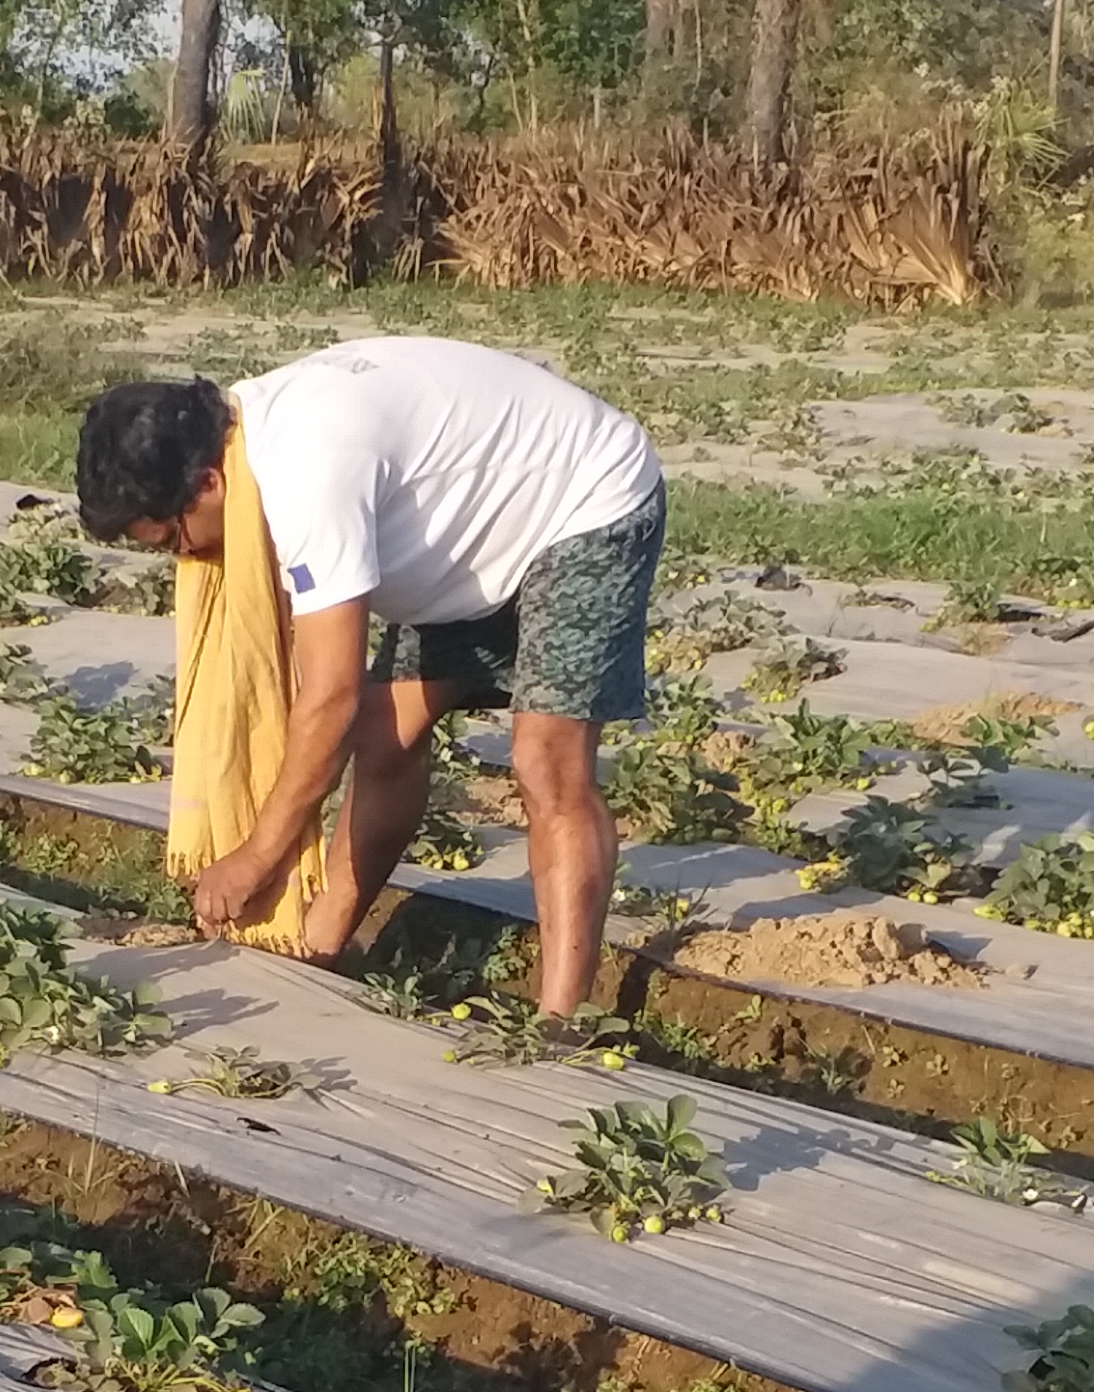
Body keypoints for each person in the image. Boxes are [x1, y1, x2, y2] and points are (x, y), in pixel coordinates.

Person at [74, 338, 666, 1023]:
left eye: (174, 540)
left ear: (208, 483)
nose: (189, 557)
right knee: (385, 741)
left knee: (545, 763)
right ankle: (319, 947)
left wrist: (258, 855)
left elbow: (331, 695)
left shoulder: (305, 471)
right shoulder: (250, 443)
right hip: (475, 534)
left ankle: (561, 1024)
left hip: (582, 500)